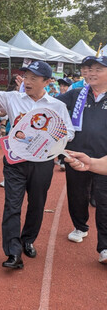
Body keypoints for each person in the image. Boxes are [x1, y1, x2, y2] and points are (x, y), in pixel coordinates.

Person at [0, 60, 74, 269]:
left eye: (33, 78)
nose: (27, 82)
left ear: (46, 81)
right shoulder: (13, 99)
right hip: (15, 162)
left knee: (37, 205)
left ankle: (27, 239)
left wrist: (49, 140)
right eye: (26, 77)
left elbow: (69, 133)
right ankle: (13, 252)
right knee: (12, 205)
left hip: (42, 163)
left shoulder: (57, 106)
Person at [57, 56, 107, 263]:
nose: (91, 73)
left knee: (105, 202)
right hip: (76, 156)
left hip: (104, 160)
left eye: (97, 69)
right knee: (77, 195)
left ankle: (105, 247)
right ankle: (80, 226)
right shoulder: (76, 94)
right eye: (88, 69)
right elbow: (50, 105)